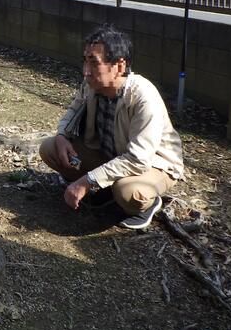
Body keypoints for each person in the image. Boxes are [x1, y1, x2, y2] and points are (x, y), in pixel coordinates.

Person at [39, 25, 185, 229]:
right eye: (85, 61)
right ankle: (106, 189)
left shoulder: (143, 97)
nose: (86, 71)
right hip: (109, 155)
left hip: (153, 164)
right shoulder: (91, 85)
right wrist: (62, 136)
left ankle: (147, 205)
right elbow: (72, 112)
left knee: (129, 193)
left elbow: (138, 159)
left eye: (94, 63)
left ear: (119, 66)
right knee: (51, 149)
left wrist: (86, 181)